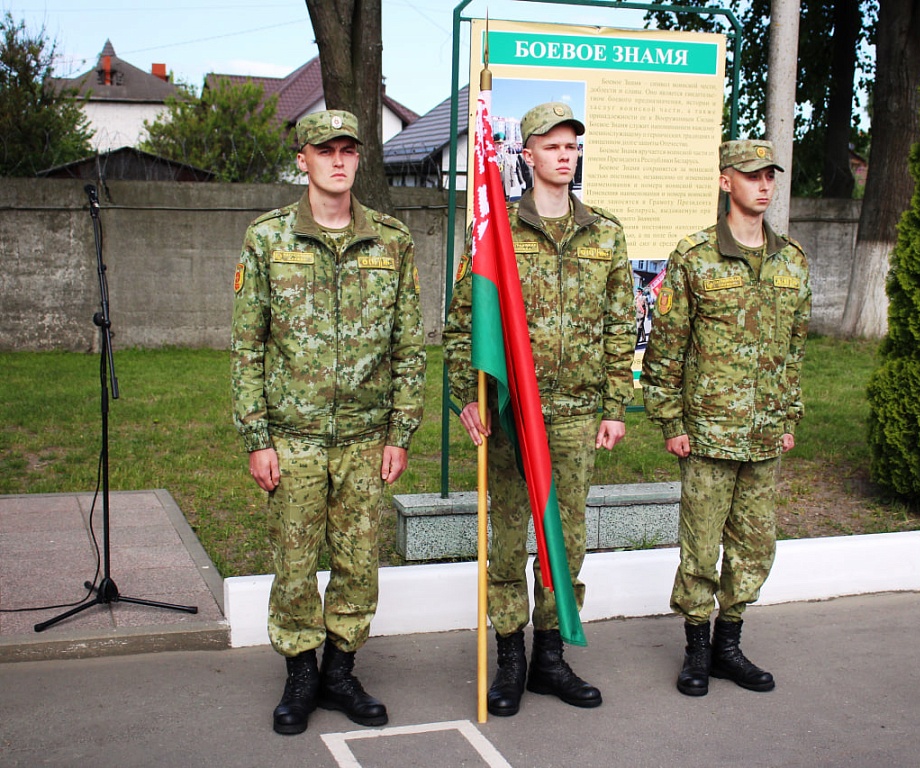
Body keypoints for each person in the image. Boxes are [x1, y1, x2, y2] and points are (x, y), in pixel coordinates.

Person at [231, 109, 426, 735]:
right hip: (294, 438)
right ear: (303, 161)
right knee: (293, 561)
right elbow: (247, 347)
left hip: (367, 438)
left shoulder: (391, 241)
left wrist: (402, 429)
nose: (338, 161)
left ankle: (341, 669)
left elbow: (408, 345)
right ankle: (299, 671)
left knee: (357, 559)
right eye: (325, 150)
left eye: (348, 150)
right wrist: (257, 438)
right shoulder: (268, 240)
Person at [443, 102, 635, 717]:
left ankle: (551, 657)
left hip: (577, 415)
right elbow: (461, 327)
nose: (564, 155)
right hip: (510, 412)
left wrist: (615, 404)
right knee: (504, 541)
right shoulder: (494, 235)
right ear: (526, 154)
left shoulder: (605, 233)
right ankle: (510, 658)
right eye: (551, 145)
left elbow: (617, 327)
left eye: (572, 145)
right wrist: (465, 396)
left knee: (566, 543)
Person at [642, 139, 811, 697]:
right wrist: (671, 421)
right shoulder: (694, 258)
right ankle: (695, 648)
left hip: (765, 433)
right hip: (708, 433)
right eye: (751, 175)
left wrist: (789, 413)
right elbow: (667, 348)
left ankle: (728, 646)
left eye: (770, 176)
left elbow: (794, 348)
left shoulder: (791, 260)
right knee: (700, 545)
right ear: (725, 182)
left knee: (754, 546)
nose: (763, 185)